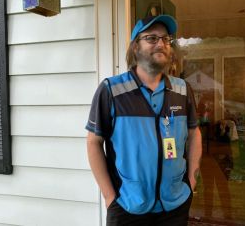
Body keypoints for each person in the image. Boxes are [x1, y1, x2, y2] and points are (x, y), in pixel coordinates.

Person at [86, 15, 202, 226]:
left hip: (174, 206)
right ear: (135, 47)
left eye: (166, 39)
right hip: (127, 207)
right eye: (151, 38)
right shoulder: (111, 90)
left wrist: (191, 181)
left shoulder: (182, 90)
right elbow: (93, 143)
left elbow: (194, 134)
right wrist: (109, 197)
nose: (161, 44)